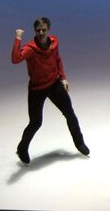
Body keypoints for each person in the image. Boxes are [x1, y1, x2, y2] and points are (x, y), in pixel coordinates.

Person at [11, 18, 88, 164]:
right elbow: (15, 59)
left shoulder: (54, 43)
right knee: (35, 122)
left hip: (54, 85)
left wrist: (63, 78)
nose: (41, 32)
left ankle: (79, 143)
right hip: (37, 89)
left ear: (49, 30)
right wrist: (18, 38)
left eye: (44, 30)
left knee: (70, 114)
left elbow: (58, 60)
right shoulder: (29, 49)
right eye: (38, 30)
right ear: (35, 31)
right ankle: (22, 148)